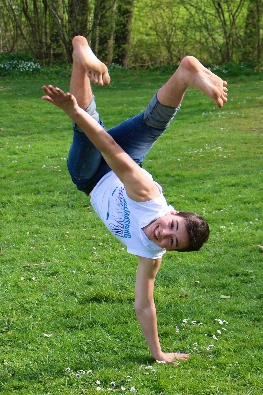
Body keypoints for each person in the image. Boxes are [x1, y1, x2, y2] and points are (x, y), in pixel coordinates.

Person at [42, 35, 228, 364]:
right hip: (97, 174)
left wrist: (158, 353)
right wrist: (73, 111)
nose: (162, 234)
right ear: (171, 211)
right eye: (171, 226)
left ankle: (182, 76)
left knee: (151, 124)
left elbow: (144, 304)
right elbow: (109, 148)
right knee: (87, 128)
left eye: (171, 242)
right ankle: (80, 53)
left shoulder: (150, 253)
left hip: (113, 170)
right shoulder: (147, 195)